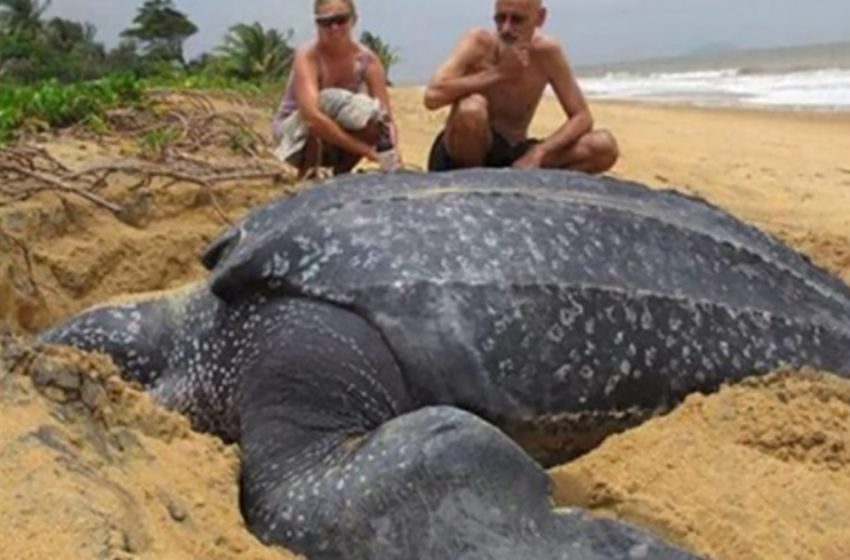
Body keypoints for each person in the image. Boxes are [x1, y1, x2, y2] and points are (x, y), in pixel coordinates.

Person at [424, 0, 618, 174]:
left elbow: (582, 117)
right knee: (472, 109)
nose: (506, 29)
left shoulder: (546, 53)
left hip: (513, 155)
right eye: (500, 19)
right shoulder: (478, 43)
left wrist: (539, 153)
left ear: (539, 18)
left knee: (602, 146)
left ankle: (516, 177)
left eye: (517, 20)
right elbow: (432, 96)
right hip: (463, 153)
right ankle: (473, 181)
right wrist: (498, 74)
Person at [272, 0, 401, 178]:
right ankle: (307, 175)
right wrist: (367, 151)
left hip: (334, 132)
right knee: (326, 100)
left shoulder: (367, 60)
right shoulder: (308, 56)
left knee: (374, 117)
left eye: (340, 20)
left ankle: (340, 174)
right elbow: (312, 118)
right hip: (294, 136)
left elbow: (387, 118)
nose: (334, 28)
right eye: (326, 22)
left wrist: (392, 151)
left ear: (353, 20)